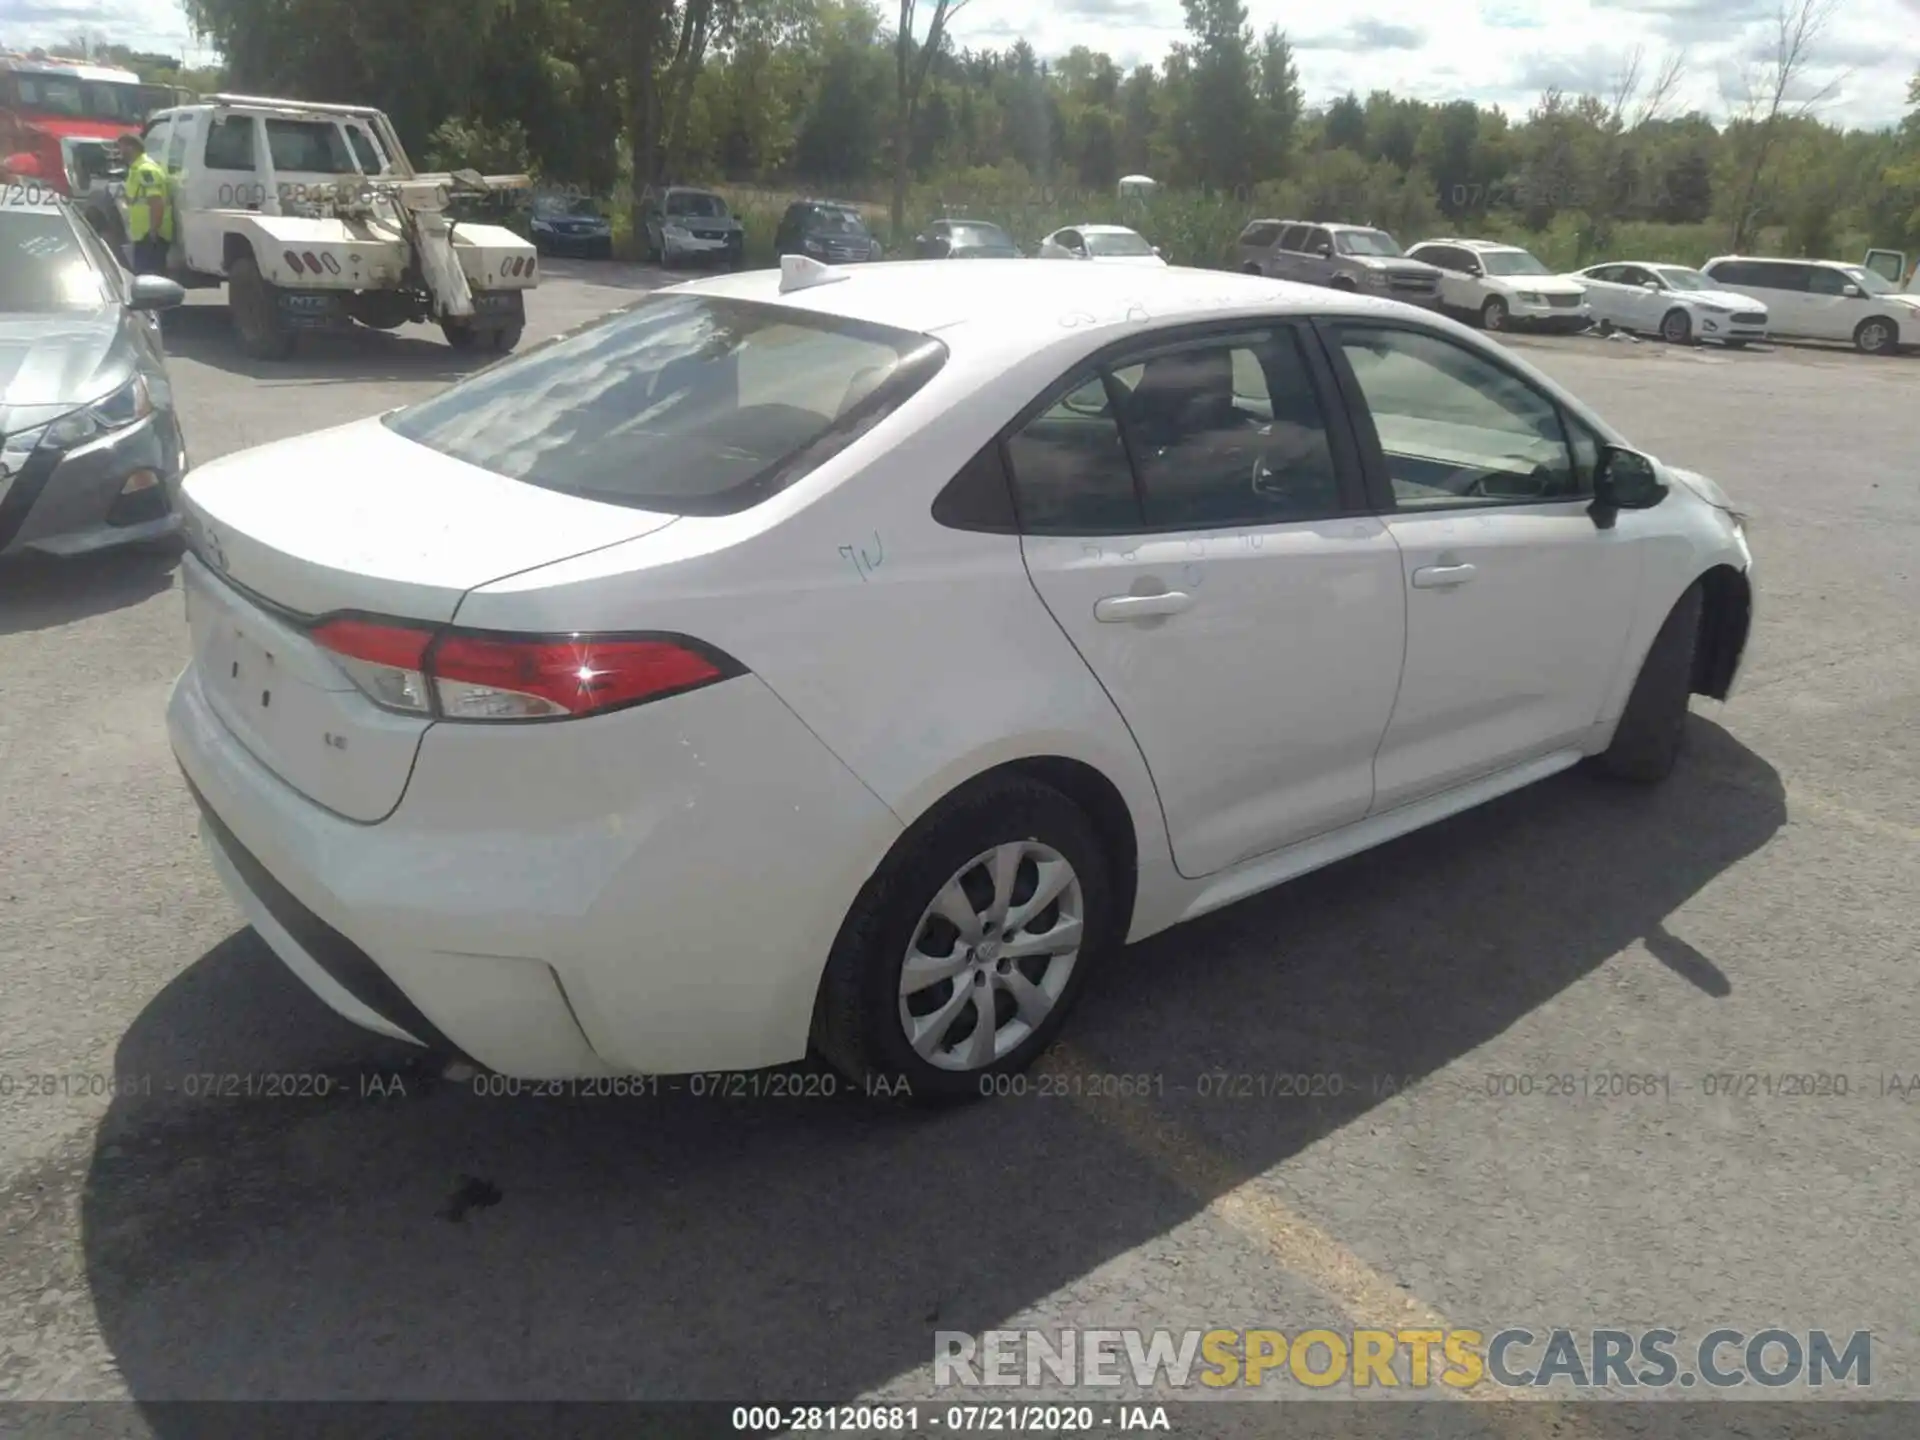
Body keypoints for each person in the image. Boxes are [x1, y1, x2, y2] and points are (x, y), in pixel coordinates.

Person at [118, 132, 172, 276]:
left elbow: (156, 202)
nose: (120, 152)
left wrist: (153, 231)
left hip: (152, 236)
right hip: (143, 236)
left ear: (131, 148)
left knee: (150, 281)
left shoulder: (146, 170)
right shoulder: (136, 170)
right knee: (145, 279)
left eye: (122, 148)